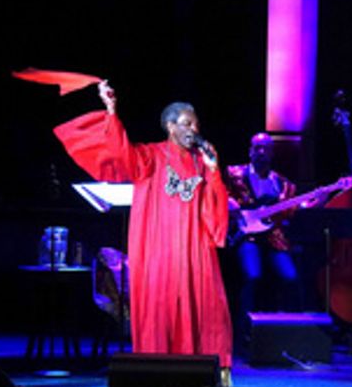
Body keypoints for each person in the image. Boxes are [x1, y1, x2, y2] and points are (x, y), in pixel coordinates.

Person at [53, 81, 233, 368]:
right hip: (159, 250)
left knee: (204, 309)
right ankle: (156, 373)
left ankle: (202, 371)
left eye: (196, 125)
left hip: (193, 252)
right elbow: (121, 153)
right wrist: (111, 111)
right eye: (187, 124)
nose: (193, 131)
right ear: (170, 127)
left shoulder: (202, 163)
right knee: (160, 313)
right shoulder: (151, 156)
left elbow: (214, 209)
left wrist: (213, 172)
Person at [226, 133, 302, 316]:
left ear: (272, 153)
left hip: (272, 235)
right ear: (250, 151)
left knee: (291, 277)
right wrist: (226, 200)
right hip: (246, 234)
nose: (261, 152)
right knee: (253, 276)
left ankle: (283, 327)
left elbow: (290, 212)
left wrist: (316, 201)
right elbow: (215, 193)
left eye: (266, 148)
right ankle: (247, 330)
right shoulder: (234, 174)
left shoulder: (282, 184)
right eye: (257, 148)